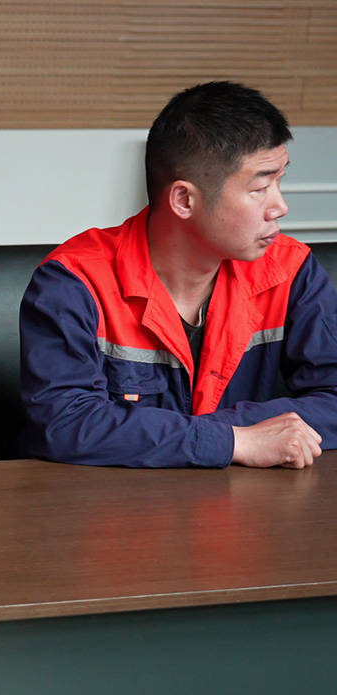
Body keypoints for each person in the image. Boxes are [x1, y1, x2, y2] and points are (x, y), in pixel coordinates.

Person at [19, 81, 337, 470]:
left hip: (240, 501)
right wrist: (233, 440)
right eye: (260, 187)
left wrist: (205, 436)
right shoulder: (74, 282)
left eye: (280, 181)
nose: (280, 206)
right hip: (110, 503)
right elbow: (65, 425)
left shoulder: (290, 269)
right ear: (184, 199)